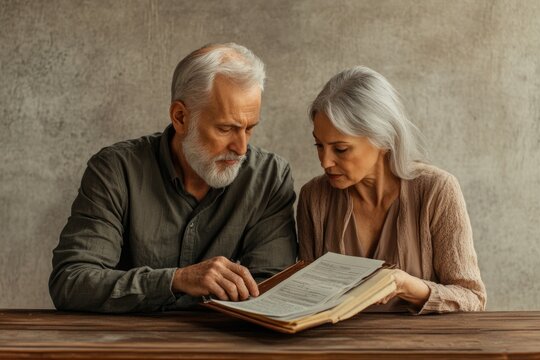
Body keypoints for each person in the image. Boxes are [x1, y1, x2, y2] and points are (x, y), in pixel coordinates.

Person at [49, 43, 297, 313]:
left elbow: (272, 292)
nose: (241, 148)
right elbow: (71, 282)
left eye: (249, 128)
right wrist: (177, 280)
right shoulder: (116, 170)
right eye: (226, 128)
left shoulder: (270, 178)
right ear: (180, 117)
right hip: (126, 347)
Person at [297, 66, 486, 314]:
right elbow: (305, 300)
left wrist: (410, 287)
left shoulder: (436, 191)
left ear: (383, 139)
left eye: (340, 149)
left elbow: (473, 298)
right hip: (336, 350)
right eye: (319, 145)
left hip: (420, 350)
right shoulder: (314, 197)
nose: (325, 162)